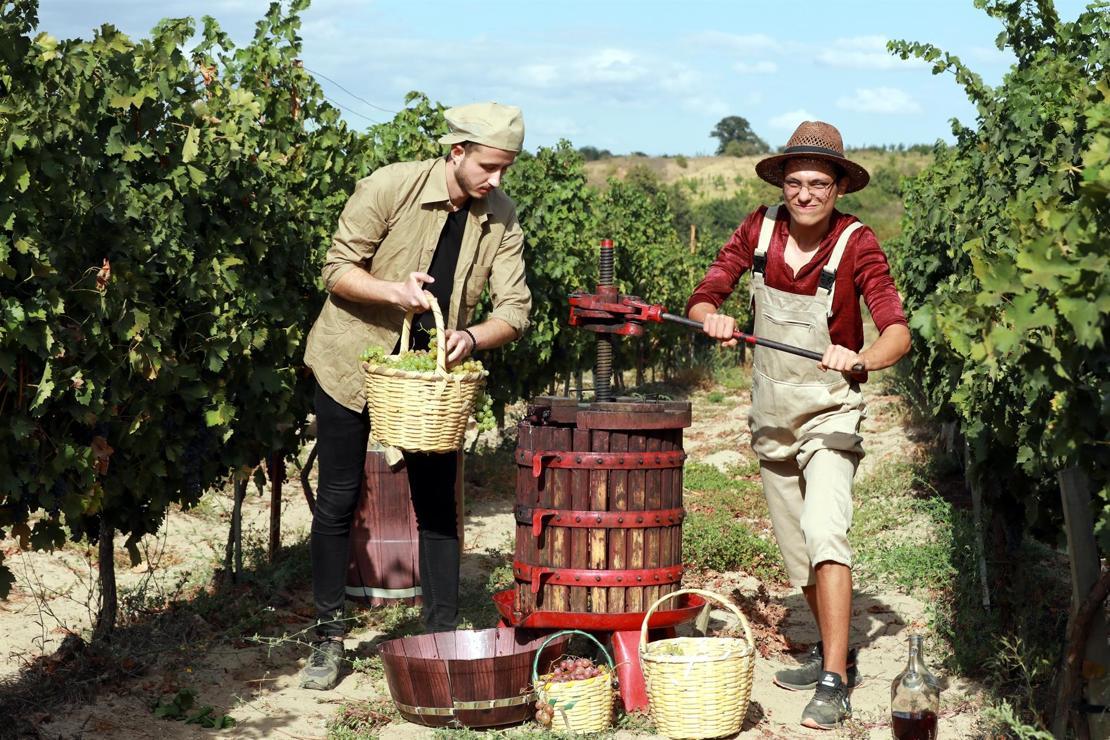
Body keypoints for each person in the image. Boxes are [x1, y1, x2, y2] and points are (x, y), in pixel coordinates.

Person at [299, 102, 532, 690]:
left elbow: (516, 309)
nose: (496, 180)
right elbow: (334, 268)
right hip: (352, 359)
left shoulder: (500, 217)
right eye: (488, 167)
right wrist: (391, 292)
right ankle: (327, 639)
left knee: (436, 506)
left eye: (505, 169)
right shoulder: (390, 186)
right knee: (338, 499)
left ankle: (443, 635)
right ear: (457, 152)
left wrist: (471, 337)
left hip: (429, 384)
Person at [686, 120, 911, 730]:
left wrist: (863, 356)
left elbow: (895, 326)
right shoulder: (758, 230)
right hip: (772, 414)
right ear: (782, 183)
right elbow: (711, 288)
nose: (805, 194)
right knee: (797, 556)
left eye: (818, 183)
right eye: (795, 182)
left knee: (825, 530)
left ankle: (836, 678)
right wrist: (711, 315)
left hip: (831, 410)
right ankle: (829, 650)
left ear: (839, 187)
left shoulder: (857, 243)